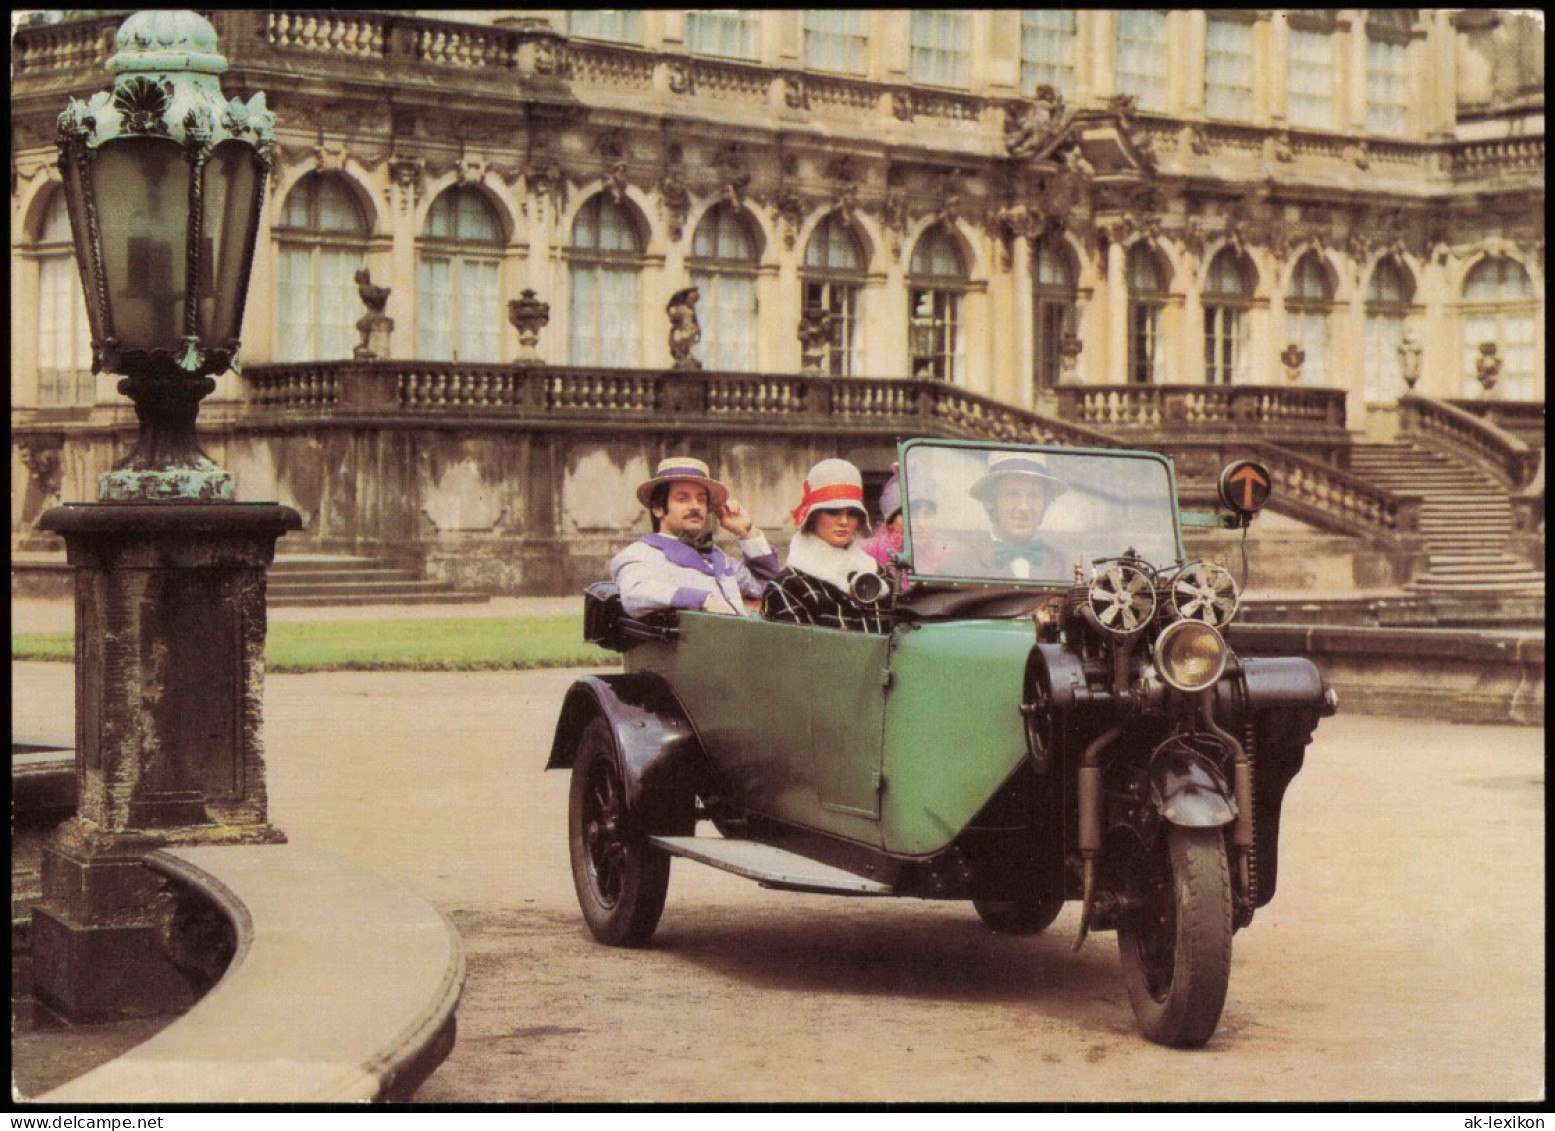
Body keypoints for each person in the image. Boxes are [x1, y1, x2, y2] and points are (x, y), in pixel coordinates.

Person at [611, 456, 778, 616]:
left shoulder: (718, 556)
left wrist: (747, 531)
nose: (695, 506)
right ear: (658, 508)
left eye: (701, 500)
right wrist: (703, 600)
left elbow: (767, 589)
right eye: (682, 498)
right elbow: (634, 594)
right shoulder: (638, 554)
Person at [761, 458, 891, 632]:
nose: (843, 521)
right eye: (833, 511)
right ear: (813, 517)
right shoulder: (789, 586)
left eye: (852, 513)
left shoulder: (877, 573)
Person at [942, 451, 1067, 580]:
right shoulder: (957, 570)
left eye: (1033, 495)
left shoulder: (1066, 567)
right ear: (989, 501)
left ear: (1044, 504)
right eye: (1012, 494)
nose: (1024, 507)